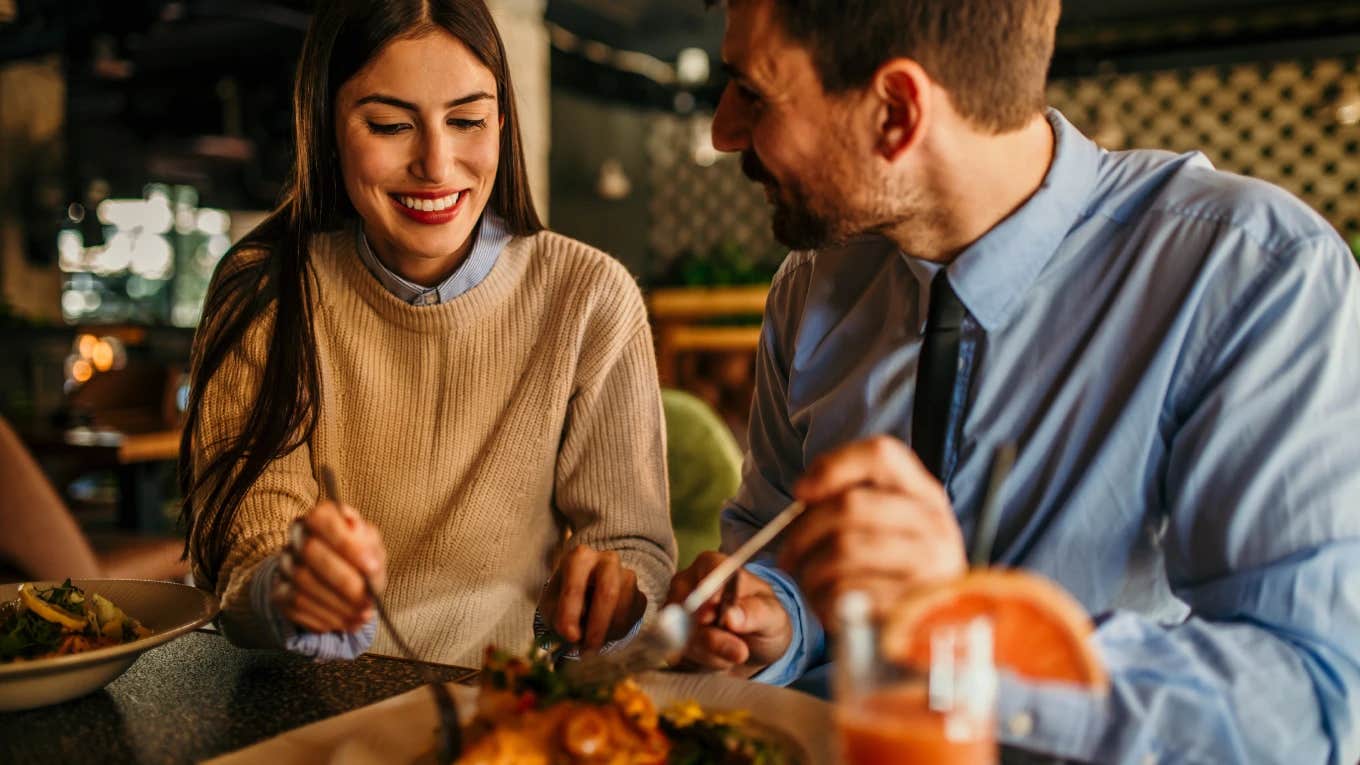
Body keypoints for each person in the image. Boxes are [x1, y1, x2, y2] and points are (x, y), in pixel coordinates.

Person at [667, 0, 1360, 762]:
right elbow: (775, 545)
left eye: (753, 94)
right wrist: (779, 614)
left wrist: (968, 639)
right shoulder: (811, 286)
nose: (722, 131)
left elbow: (1312, 703)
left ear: (897, 112)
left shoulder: (1249, 276)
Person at [179, 0, 675, 668]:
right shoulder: (265, 287)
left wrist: (614, 593)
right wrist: (286, 584)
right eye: (389, 124)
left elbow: (634, 549)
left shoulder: (588, 298)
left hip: (491, 712)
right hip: (291, 710)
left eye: (467, 120)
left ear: (502, 120)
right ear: (327, 125)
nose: (437, 165)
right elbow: (245, 553)